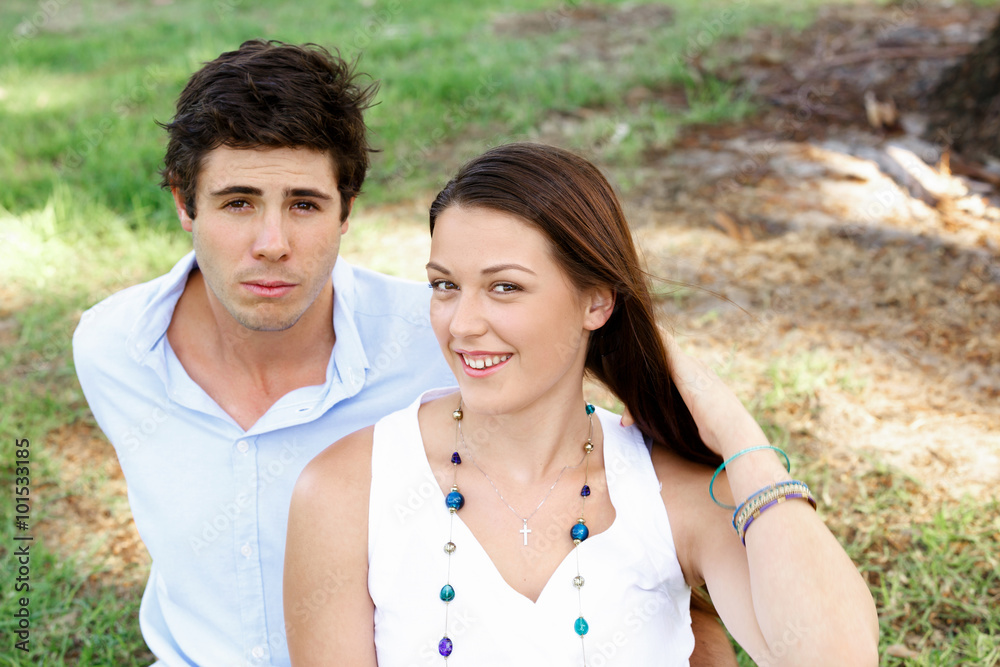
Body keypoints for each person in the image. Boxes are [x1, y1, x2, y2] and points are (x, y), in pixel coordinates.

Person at [72, 42, 733, 665]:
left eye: (304, 204)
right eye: (237, 202)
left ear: (347, 210)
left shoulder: (444, 337)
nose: (271, 242)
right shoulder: (114, 351)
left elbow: (625, 497)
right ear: (184, 204)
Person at [284, 143, 879, 666]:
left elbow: (837, 657)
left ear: (596, 302)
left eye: (505, 287)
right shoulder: (347, 489)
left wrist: (735, 432)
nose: (462, 324)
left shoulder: (669, 492)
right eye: (445, 285)